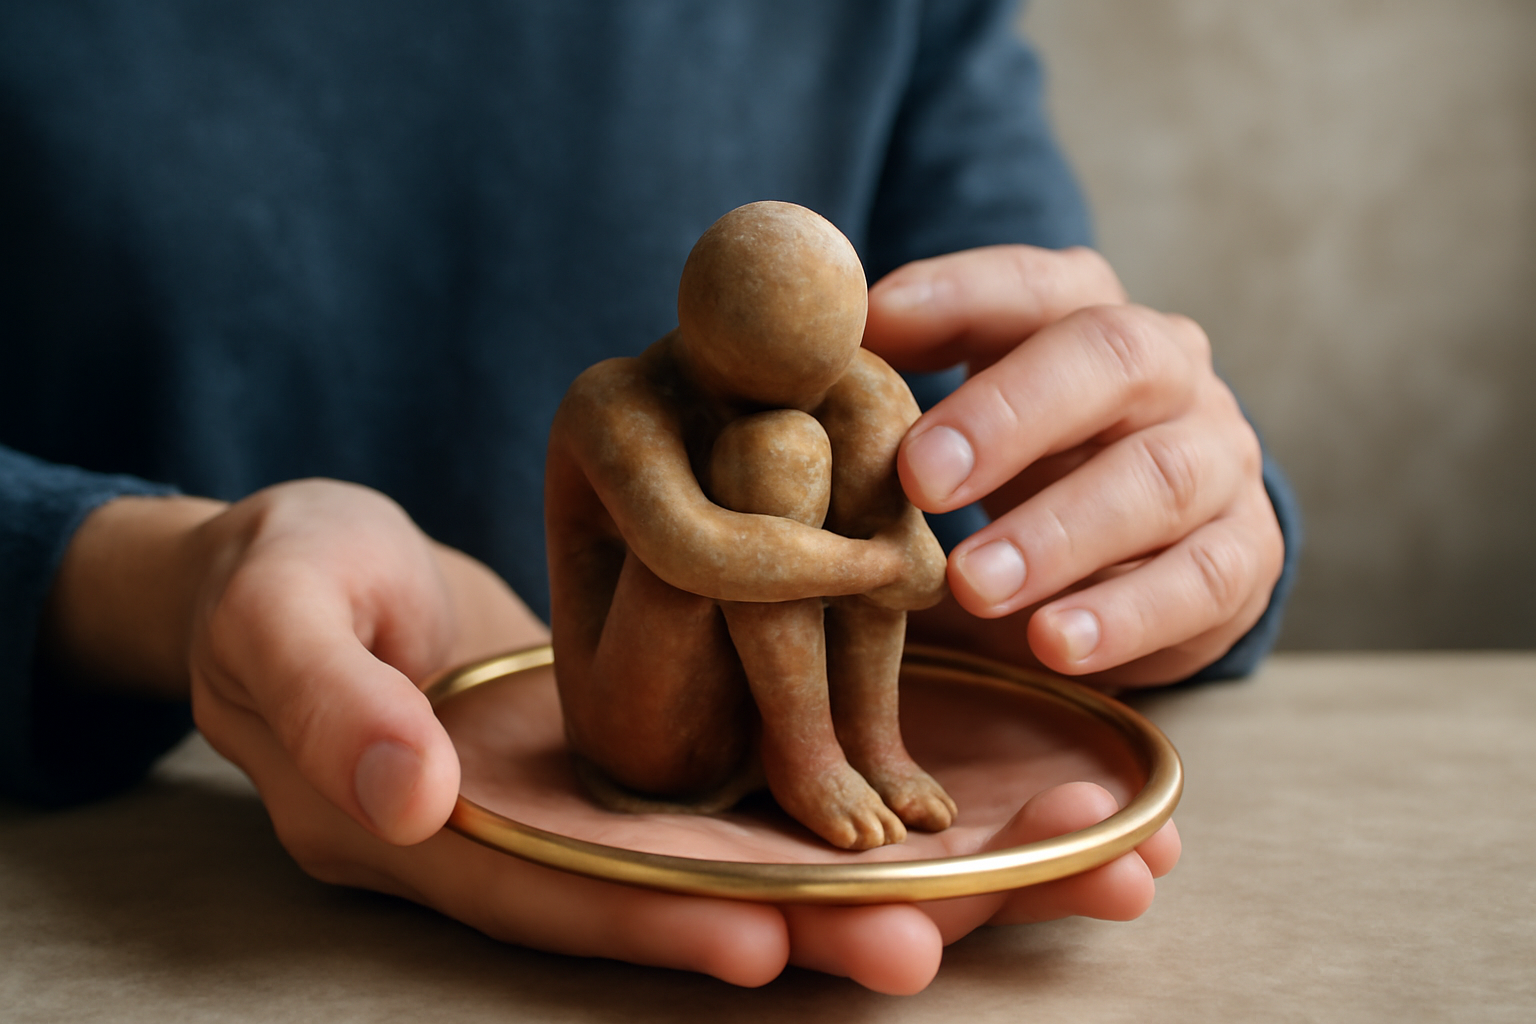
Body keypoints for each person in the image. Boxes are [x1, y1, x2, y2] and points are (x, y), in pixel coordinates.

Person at [0, 0, 1297, 996]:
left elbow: (1011, 446)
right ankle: (802, 756)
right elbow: (706, 552)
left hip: (844, 673)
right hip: (639, 727)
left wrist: (1153, 521)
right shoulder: (621, 404)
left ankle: (863, 745)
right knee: (768, 474)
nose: (819, 388)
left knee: (830, 447)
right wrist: (135, 571)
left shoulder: (859, 387)